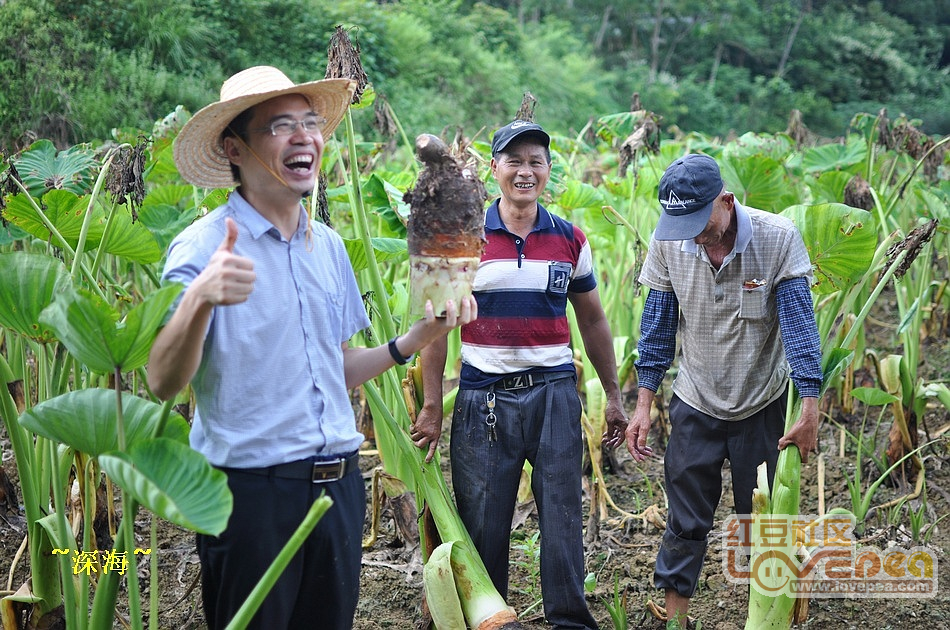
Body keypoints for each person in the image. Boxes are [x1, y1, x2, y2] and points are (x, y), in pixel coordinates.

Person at [146, 66, 476, 630]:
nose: (305, 137)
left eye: (311, 123)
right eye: (281, 126)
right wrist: (200, 297)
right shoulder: (201, 249)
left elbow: (334, 367)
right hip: (250, 495)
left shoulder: (327, 247)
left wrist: (411, 342)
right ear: (234, 147)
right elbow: (162, 379)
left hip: (338, 485)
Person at [416, 120, 628, 630]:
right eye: (514, 161)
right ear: (495, 170)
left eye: (536, 161)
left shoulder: (570, 239)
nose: (525, 171)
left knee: (562, 519)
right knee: (484, 524)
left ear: (548, 170)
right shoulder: (461, 238)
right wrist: (430, 407)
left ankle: (570, 621)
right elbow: (434, 327)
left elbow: (593, 320)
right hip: (483, 398)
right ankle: (491, 620)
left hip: (554, 392)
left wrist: (615, 396)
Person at [624, 154, 822, 628]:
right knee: (685, 517)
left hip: (761, 401)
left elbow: (798, 326)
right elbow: (656, 329)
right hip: (696, 398)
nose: (692, 233)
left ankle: (766, 618)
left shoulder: (776, 238)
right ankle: (676, 619)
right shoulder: (670, 241)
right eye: (680, 222)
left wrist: (810, 403)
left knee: (761, 521)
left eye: (699, 220)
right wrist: (644, 403)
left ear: (726, 202)